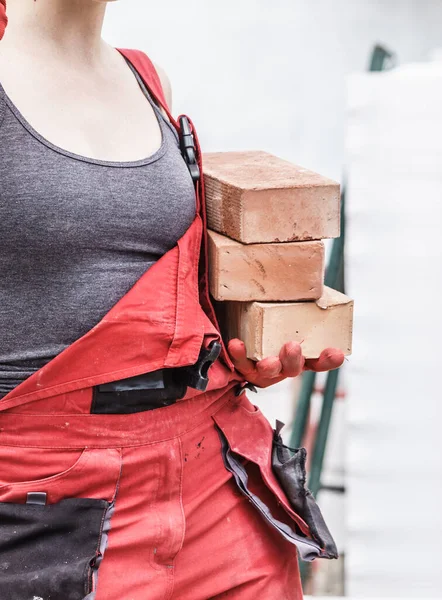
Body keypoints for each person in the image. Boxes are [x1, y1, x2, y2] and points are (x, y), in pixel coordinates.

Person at [0, 1, 344, 598]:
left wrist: (235, 351)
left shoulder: (143, 78)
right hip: (49, 509)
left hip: (215, 487)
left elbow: (159, 289)